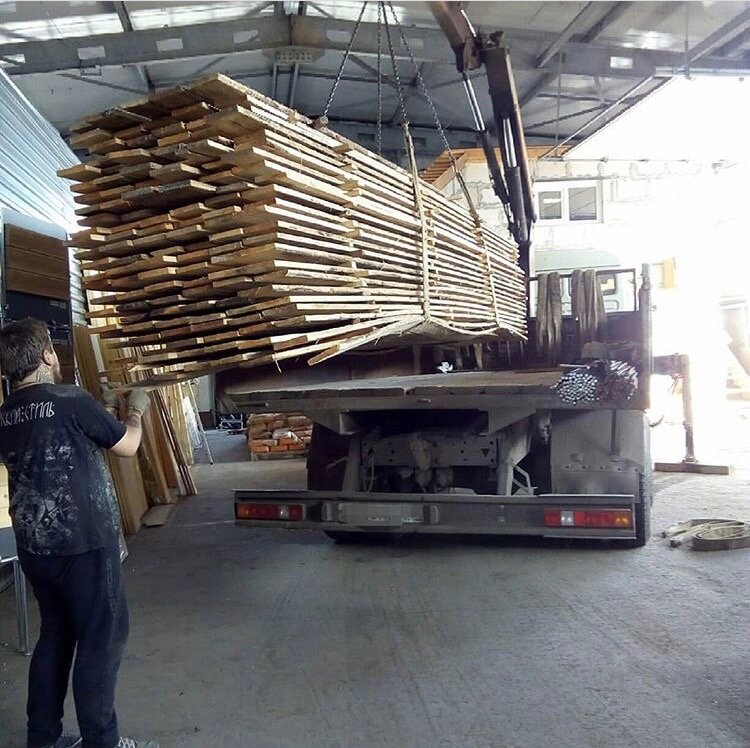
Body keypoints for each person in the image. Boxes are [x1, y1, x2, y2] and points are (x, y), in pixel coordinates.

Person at [0, 318, 158, 748]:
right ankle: (102, 742)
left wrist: (102, 407)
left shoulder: (6, 413)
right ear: (47, 354)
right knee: (101, 639)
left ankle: (43, 737)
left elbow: (59, 435)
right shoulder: (69, 398)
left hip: (35, 545)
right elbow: (127, 446)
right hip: (84, 543)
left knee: (55, 635)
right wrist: (135, 409)